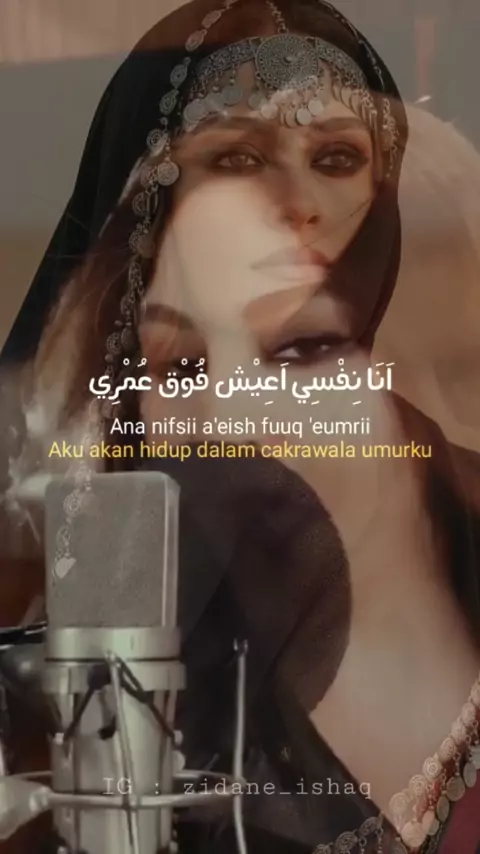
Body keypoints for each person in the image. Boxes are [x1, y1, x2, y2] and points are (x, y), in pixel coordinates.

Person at [1, 1, 480, 852]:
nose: (298, 205)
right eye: (238, 157)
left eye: (337, 156)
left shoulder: (461, 513)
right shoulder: (78, 544)